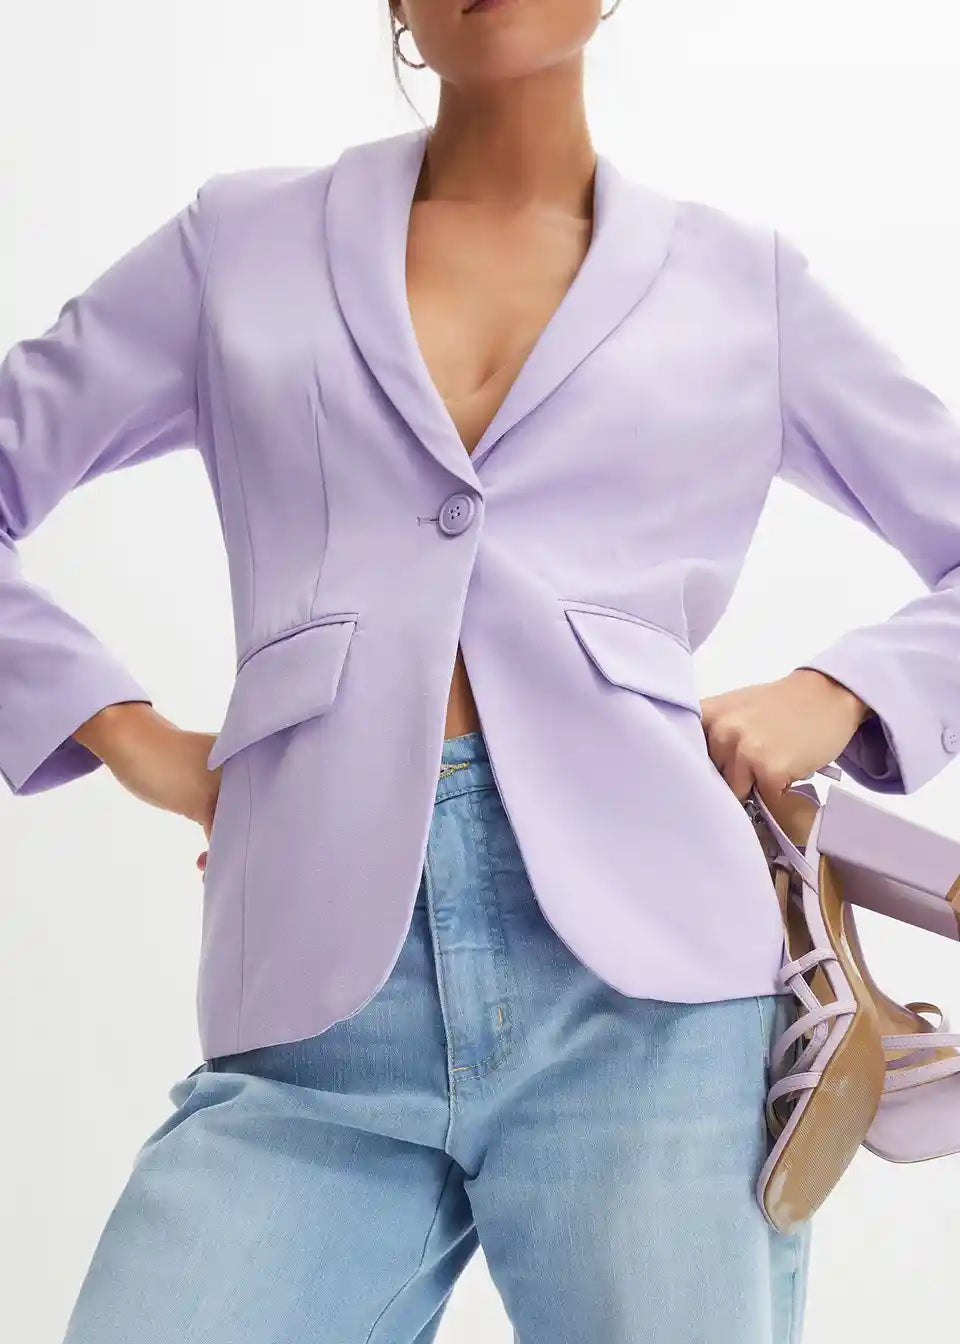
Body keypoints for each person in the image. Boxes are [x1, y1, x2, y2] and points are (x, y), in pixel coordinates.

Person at [5, 3, 960, 1341]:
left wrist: (843, 691)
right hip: (313, 1003)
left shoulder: (745, 286)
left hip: (658, 999)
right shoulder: (239, 249)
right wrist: (124, 733)